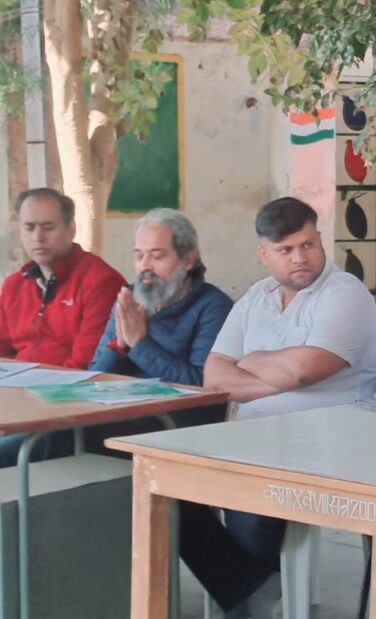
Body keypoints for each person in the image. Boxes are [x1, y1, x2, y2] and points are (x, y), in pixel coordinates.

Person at [186, 196, 376, 619]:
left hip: (328, 442)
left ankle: (245, 586)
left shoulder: (345, 293)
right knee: (175, 487)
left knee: (253, 481)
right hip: (255, 437)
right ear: (264, 253)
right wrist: (280, 377)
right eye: (286, 250)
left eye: (308, 244)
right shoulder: (256, 297)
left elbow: (304, 370)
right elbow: (214, 377)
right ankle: (247, 583)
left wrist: (251, 361)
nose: (300, 257)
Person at [0, 188, 127, 467]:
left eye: (48, 227)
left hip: (64, 413)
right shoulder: (14, 285)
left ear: (71, 228)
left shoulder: (101, 281)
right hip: (14, 407)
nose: (38, 237)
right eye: (29, 227)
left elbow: (85, 367)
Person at [90, 208, 233, 388]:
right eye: (139, 256)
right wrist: (119, 345)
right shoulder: (130, 301)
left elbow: (202, 384)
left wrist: (138, 344)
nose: (144, 266)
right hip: (124, 402)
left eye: (157, 256)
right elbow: (94, 379)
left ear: (188, 260)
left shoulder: (213, 306)